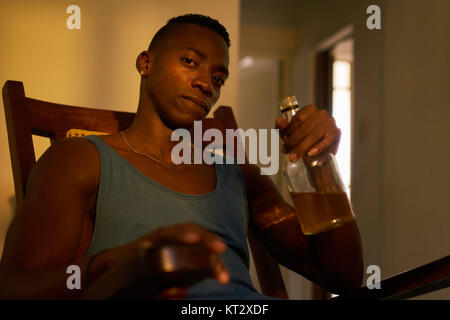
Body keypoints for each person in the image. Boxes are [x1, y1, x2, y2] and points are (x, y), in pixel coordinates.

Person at [0, 14, 363, 299]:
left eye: (218, 78)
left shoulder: (236, 173)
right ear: (146, 62)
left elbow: (343, 276)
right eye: (190, 61)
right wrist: (108, 268)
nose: (207, 84)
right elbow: (14, 288)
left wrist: (320, 162)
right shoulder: (81, 159)